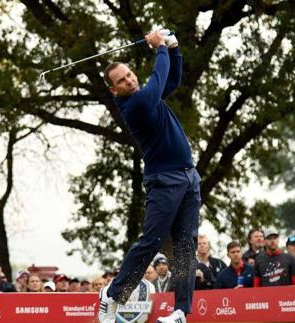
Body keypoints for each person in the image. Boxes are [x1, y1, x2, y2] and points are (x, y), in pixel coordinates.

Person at [99, 29, 200, 323]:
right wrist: (159, 48)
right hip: (164, 181)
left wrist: (174, 47)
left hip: (188, 177)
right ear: (114, 90)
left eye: (130, 74)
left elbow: (172, 78)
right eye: (122, 80)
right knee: (152, 241)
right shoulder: (137, 104)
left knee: (185, 246)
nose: (130, 79)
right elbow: (159, 75)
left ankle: (180, 311)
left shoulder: (147, 96)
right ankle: (113, 294)